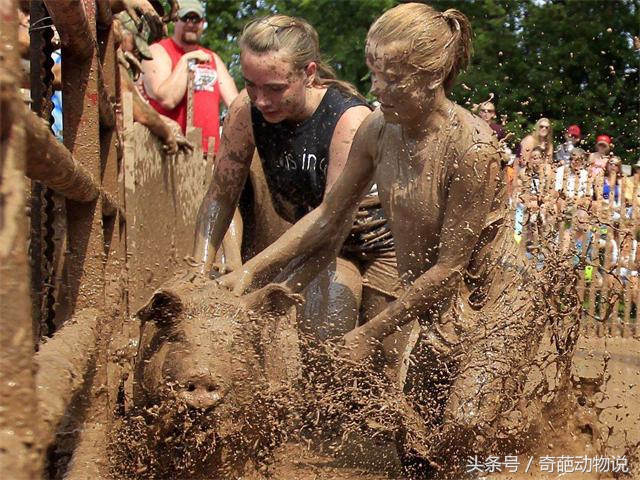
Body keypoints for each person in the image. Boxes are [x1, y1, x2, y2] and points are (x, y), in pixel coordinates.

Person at [219, 3, 547, 475]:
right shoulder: (378, 127)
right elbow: (329, 216)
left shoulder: (472, 150)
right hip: (434, 303)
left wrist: (368, 334)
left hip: (493, 303)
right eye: (375, 73)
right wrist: (250, 272)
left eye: (392, 79)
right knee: (415, 446)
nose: (375, 89)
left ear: (431, 79)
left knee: (462, 426)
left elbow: (450, 269)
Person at [193, 15, 399, 342]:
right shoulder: (245, 112)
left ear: (309, 74)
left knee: (379, 352)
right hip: (319, 240)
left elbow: (331, 220)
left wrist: (251, 271)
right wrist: (199, 271)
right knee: (318, 337)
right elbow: (221, 195)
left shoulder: (349, 119)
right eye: (250, 84)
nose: (261, 100)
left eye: (275, 89)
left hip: (380, 244)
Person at [142, 0, 238, 153]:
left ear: (203, 23)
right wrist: (186, 60)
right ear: (175, 20)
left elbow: (236, 105)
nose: (191, 24)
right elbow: (167, 100)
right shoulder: (158, 51)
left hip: (209, 154)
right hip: (169, 152)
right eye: (185, 18)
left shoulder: (212, 58)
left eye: (196, 19)